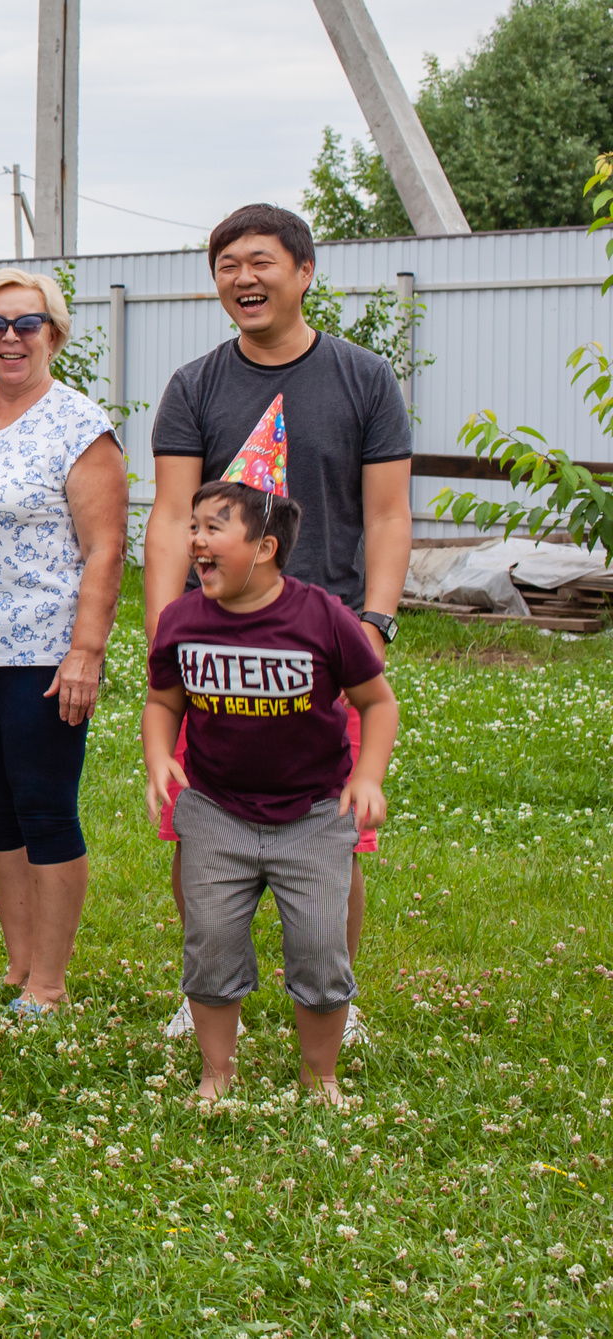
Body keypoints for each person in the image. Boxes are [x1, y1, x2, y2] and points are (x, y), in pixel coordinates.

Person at [144, 202, 409, 1044]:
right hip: (213, 640)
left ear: (304, 272)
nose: (243, 278)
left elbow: (391, 513)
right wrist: (166, 629)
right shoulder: (195, 385)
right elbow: (170, 511)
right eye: (227, 265)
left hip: (322, 636)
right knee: (201, 815)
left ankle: (337, 993)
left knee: (334, 832)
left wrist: (375, 620)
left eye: (260, 261)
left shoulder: (364, 378)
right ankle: (205, 989)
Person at [144, 454, 395, 1103]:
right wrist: (158, 754)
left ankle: (321, 1076)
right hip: (216, 809)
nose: (196, 540)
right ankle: (216, 1074)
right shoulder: (182, 620)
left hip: (313, 813)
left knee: (318, 946)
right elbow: (163, 700)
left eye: (215, 526)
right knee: (212, 944)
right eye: (194, 527)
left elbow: (377, 700)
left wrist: (368, 776)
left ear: (265, 546)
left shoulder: (322, 618)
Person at [0, 268, 125, 1016]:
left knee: (45, 806)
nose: (10, 337)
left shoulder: (79, 424)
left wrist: (87, 651)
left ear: (55, 332)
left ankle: (51, 978)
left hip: (43, 650)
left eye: (27, 323)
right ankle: (18, 966)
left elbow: (105, 549)